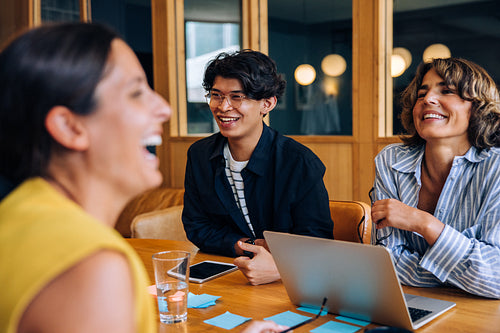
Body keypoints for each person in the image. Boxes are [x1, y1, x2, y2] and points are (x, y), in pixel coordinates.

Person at [0, 23, 288, 333]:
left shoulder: (17, 216)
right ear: (70, 127)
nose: (164, 108)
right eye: (136, 92)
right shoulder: (91, 268)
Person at [182, 50, 334, 286]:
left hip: (290, 280)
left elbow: (318, 243)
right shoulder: (199, 154)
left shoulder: (300, 163)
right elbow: (197, 226)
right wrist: (249, 245)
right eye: (216, 95)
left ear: (267, 103)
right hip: (230, 274)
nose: (223, 106)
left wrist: (280, 266)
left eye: (236, 97)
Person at [371, 57, 500, 299]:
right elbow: (385, 263)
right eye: (422, 94)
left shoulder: (496, 168)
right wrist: (462, 275)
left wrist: (423, 223)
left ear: (478, 108)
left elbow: (495, 277)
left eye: (447, 91)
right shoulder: (390, 161)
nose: (428, 99)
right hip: (410, 301)